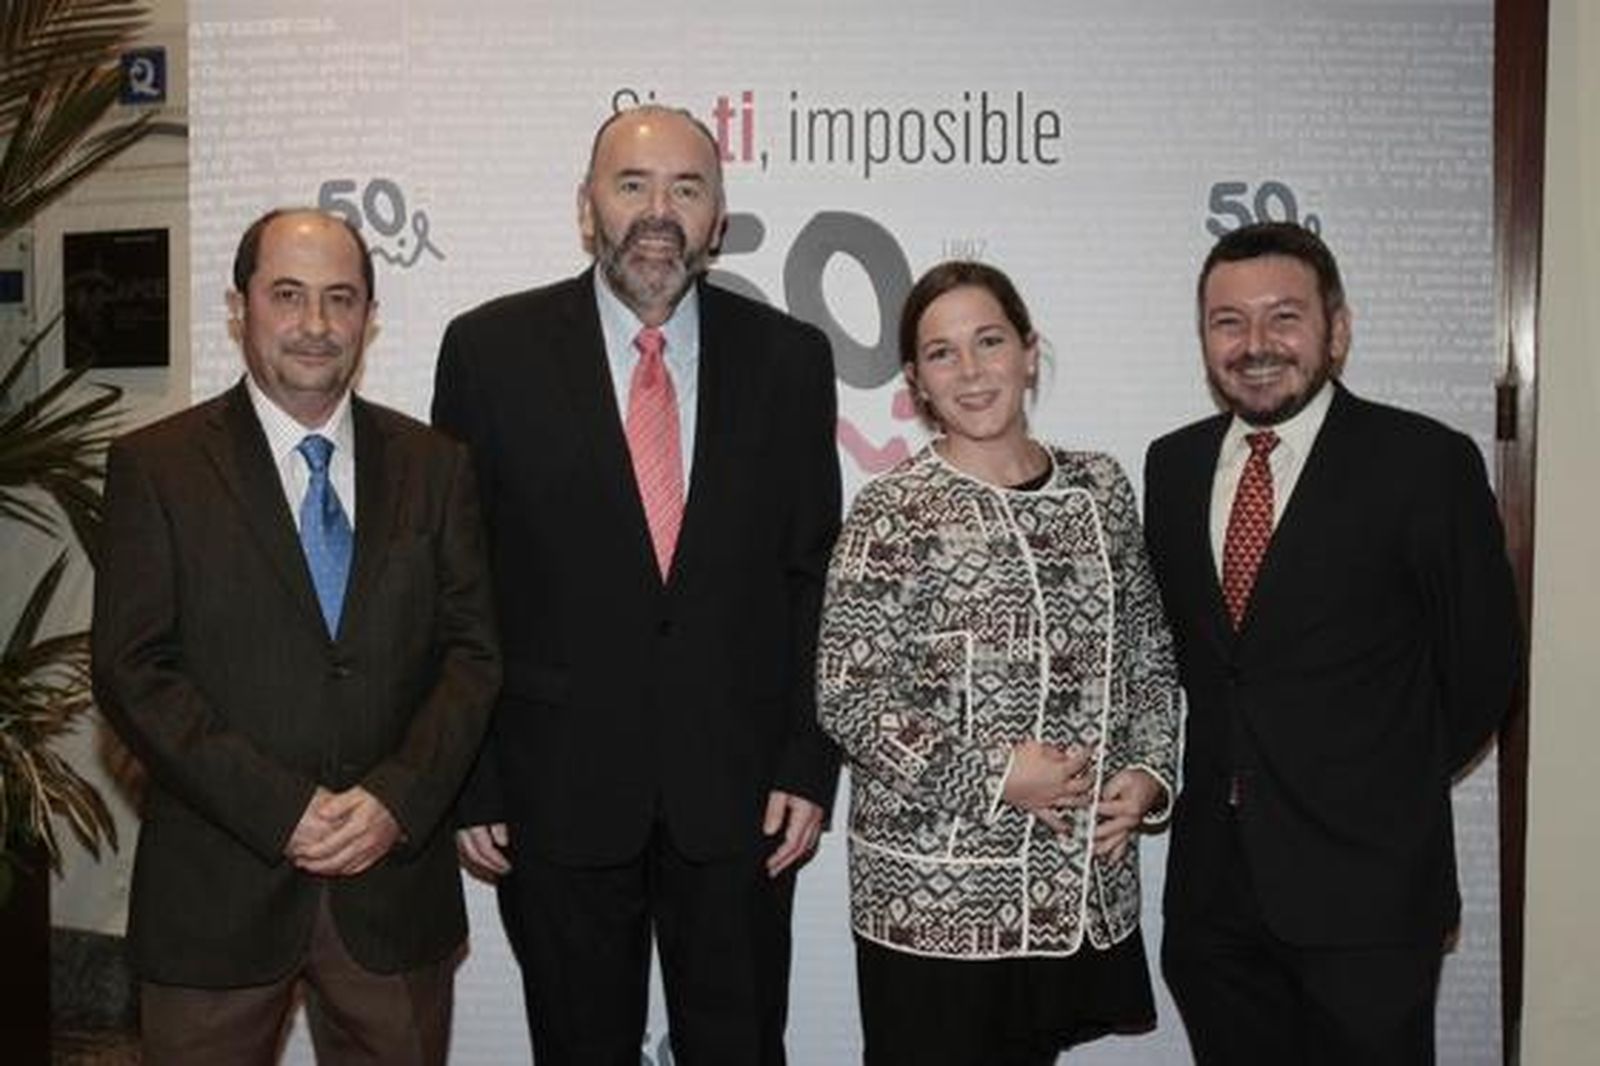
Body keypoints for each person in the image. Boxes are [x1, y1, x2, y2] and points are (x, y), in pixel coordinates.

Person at [431, 105, 841, 1064]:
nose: (660, 211)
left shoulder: (789, 359)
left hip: (741, 796)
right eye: (632, 185)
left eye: (686, 189)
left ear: (717, 219)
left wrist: (806, 761)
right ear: (587, 209)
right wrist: (473, 776)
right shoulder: (488, 352)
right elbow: (457, 582)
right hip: (553, 791)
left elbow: (813, 577)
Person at [90, 208, 501, 1066]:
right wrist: (282, 809)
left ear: (368, 318)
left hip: (392, 899)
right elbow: (133, 670)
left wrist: (395, 799)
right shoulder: (156, 467)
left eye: (340, 299)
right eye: (287, 295)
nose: (316, 324)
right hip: (214, 901)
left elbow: (472, 656)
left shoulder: (437, 467)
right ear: (238, 308)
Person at [1144, 221, 1520, 1064]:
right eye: (1228, 321)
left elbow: (1483, 667)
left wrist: (1375, 784)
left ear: (1337, 331)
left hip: (1369, 895)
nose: (1255, 345)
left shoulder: (1424, 463)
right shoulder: (1171, 468)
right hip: (1214, 899)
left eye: (1284, 317)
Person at [816, 261, 1180, 1065]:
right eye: (941, 354)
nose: (972, 371)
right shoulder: (892, 510)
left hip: (1077, 883)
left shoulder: (1101, 488)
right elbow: (849, 698)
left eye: (989, 341)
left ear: (1029, 352)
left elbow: (1150, 654)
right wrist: (997, 776)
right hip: (931, 900)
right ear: (916, 382)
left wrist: (1150, 773)